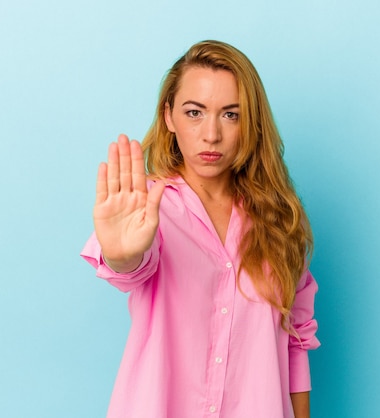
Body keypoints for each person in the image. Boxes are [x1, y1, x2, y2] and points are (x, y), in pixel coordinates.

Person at [81, 40, 320, 418]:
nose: (211, 134)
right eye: (194, 112)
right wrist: (123, 255)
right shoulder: (147, 207)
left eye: (230, 115)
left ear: (251, 123)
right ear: (169, 117)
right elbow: (129, 264)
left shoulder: (279, 222)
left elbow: (296, 341)